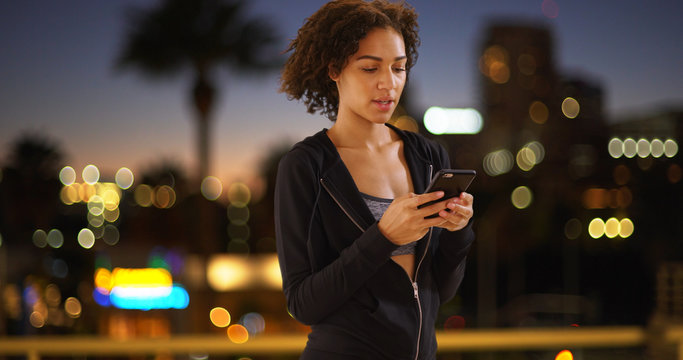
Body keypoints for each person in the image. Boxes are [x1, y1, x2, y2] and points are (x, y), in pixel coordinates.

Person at [274, 0, 475, 358]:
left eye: (399, 68)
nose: (389, 83)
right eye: (370, 68)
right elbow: (303, 303)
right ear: (334, 69)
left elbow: (441, 290)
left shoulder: (428, 157)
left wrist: (459, 231)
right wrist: (383, 237)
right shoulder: (307, 166)